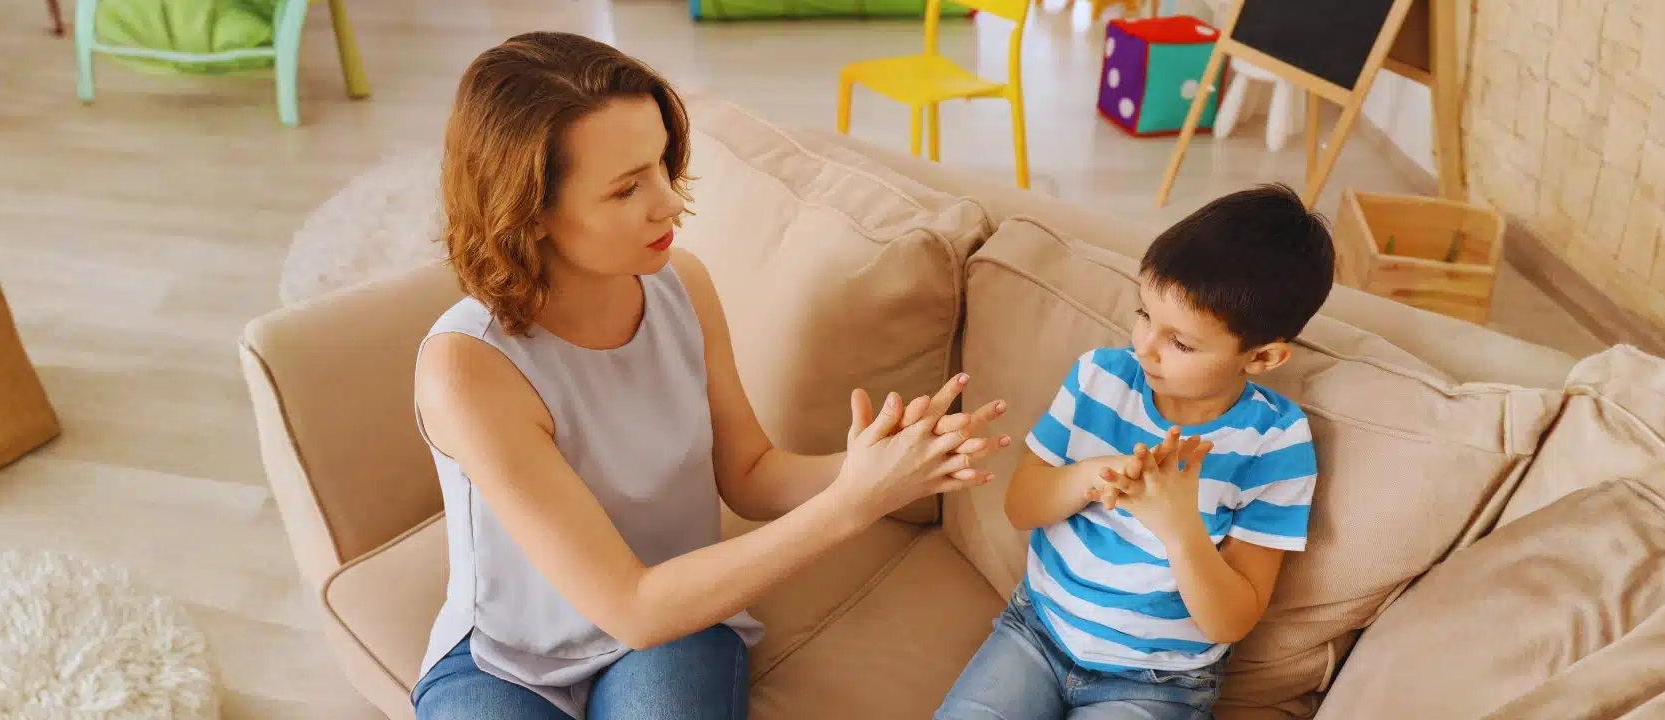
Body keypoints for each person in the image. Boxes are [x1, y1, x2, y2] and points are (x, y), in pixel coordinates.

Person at [409, 32, 1011, 720]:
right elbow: (628, 606)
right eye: (627, 187)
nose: (670, 202)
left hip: (681, 616)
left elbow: (749, 471)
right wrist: (849, 508)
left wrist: (871, 466)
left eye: (663, 163)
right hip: (507, 659)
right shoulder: (468, 367)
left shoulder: (681, 287)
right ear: (531, 213)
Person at [937, 183, 1334, 720]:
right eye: (1144, 313)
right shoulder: (1100, 377)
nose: (1144, 345)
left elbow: (1230, 621)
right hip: (1036, 631)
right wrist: (1091, 476)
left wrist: (1180, 528)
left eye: (1181, 343)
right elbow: (1020, 507)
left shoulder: (1276, 444)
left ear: (1262, 357)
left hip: (1160, 681)